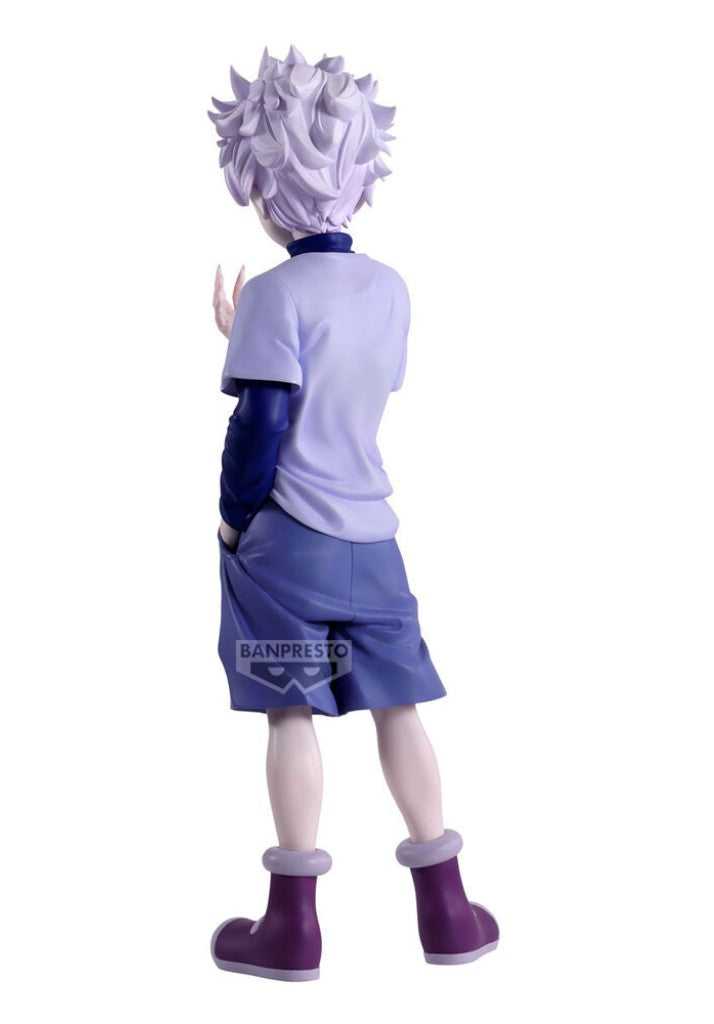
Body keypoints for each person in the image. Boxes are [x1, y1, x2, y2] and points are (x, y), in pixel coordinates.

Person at [206, 46, 499, 982]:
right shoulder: (391, 290)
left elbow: (263, 425)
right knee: (398, 706)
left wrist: (231, 522)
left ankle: (292, 927)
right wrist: (253, 337)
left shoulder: (273, 294)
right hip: (375, 540)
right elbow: (348, 381)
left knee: (291, 711)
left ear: (263, 182)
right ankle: (448, 912)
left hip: (286, 546)